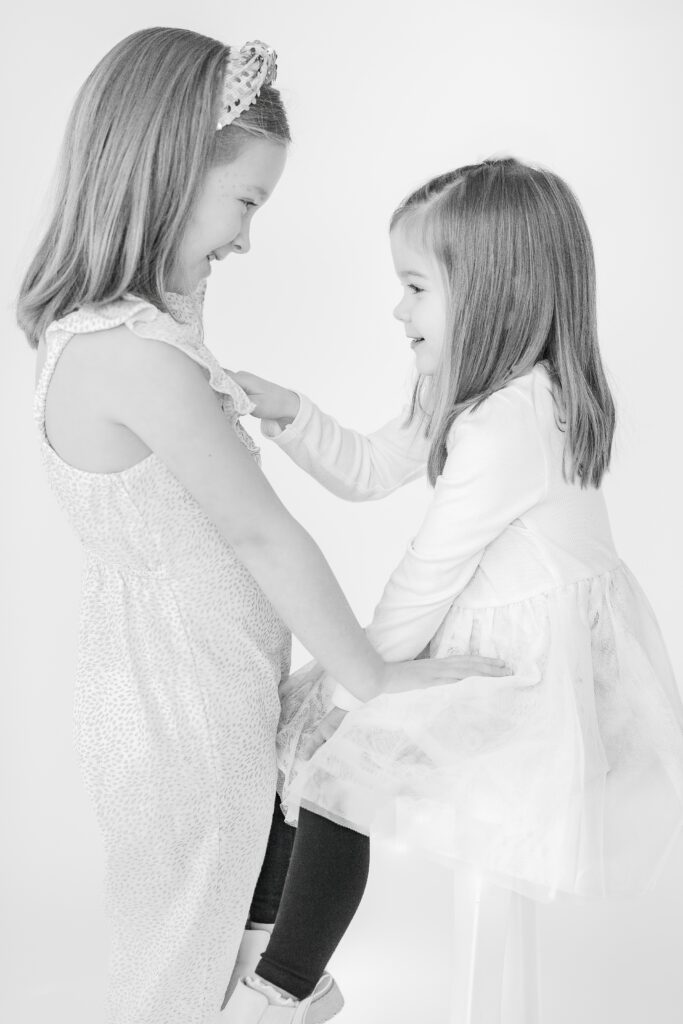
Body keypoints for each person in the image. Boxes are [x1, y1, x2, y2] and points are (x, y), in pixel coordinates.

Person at [18, 31, 503, 1024]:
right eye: (244, 203)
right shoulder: (131, 358)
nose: (245, 239)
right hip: (183, 716)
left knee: (212, 943)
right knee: (177, 969)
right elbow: (262, 537)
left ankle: (281, 991)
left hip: (203, 693)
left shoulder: (140, 333)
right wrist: (371, 677)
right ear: (160, 174)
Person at [222, 158, 683, 1022]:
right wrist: (285, 410)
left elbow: (424, 579)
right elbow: (368, 468)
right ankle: (262, 958)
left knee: (331, 767)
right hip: (484, 657)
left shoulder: (511, 420)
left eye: (414, 287)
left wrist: (353, 681)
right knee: (307, 742)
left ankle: (282, 987)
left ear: (491, 291)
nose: (398, 311)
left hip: (527, 687)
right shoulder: (469, 387)